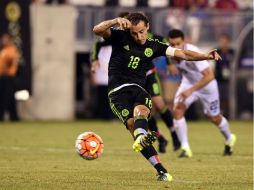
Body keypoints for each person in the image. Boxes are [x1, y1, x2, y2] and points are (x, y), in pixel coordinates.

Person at [93, 12, 221, 181]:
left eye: (142, 32)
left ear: (147, 27)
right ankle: (160, 168)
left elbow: (182, 54)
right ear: (129, 31)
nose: (139, 37)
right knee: (132, 125)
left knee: (142, 111)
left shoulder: (155, 45)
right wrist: (115, 20)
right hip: (116, 92)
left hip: (138, 89)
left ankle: (143, 139)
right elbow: (97, 29)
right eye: (135, 33)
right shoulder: (119, 36)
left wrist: (205, 55)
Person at [167, 29, 236, 158]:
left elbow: (209, 76)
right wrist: (169, 66)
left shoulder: (193, 52)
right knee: (177, 110)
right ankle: (185, 148)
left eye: (178, 44)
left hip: (206, 86)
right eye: (172, 44)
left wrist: (191, 90)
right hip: (188, 83)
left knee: (213, 117)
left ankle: (229, 138)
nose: (175, 47)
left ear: (184, 41)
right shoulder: (170, 53)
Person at [214, 34, 234, 118]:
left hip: (229, 79)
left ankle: (227, 115)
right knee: (219, 97)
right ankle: (219, 114)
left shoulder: (232, 52)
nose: (224, 44)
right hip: (218, 79)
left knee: (227, 97)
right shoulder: (217, 52)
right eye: (222, 42)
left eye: (225, 42)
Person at [0, 34, 19, 121]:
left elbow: (12, 61)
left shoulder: (11, 50)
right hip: (3, 77)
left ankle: (1, 116)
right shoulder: (4, 50)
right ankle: (14, 117)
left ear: (10, 40)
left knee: (5, 97)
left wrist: (6, 70)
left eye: (5, 39)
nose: (3, 41)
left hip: (7, 77)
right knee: (10, 98)